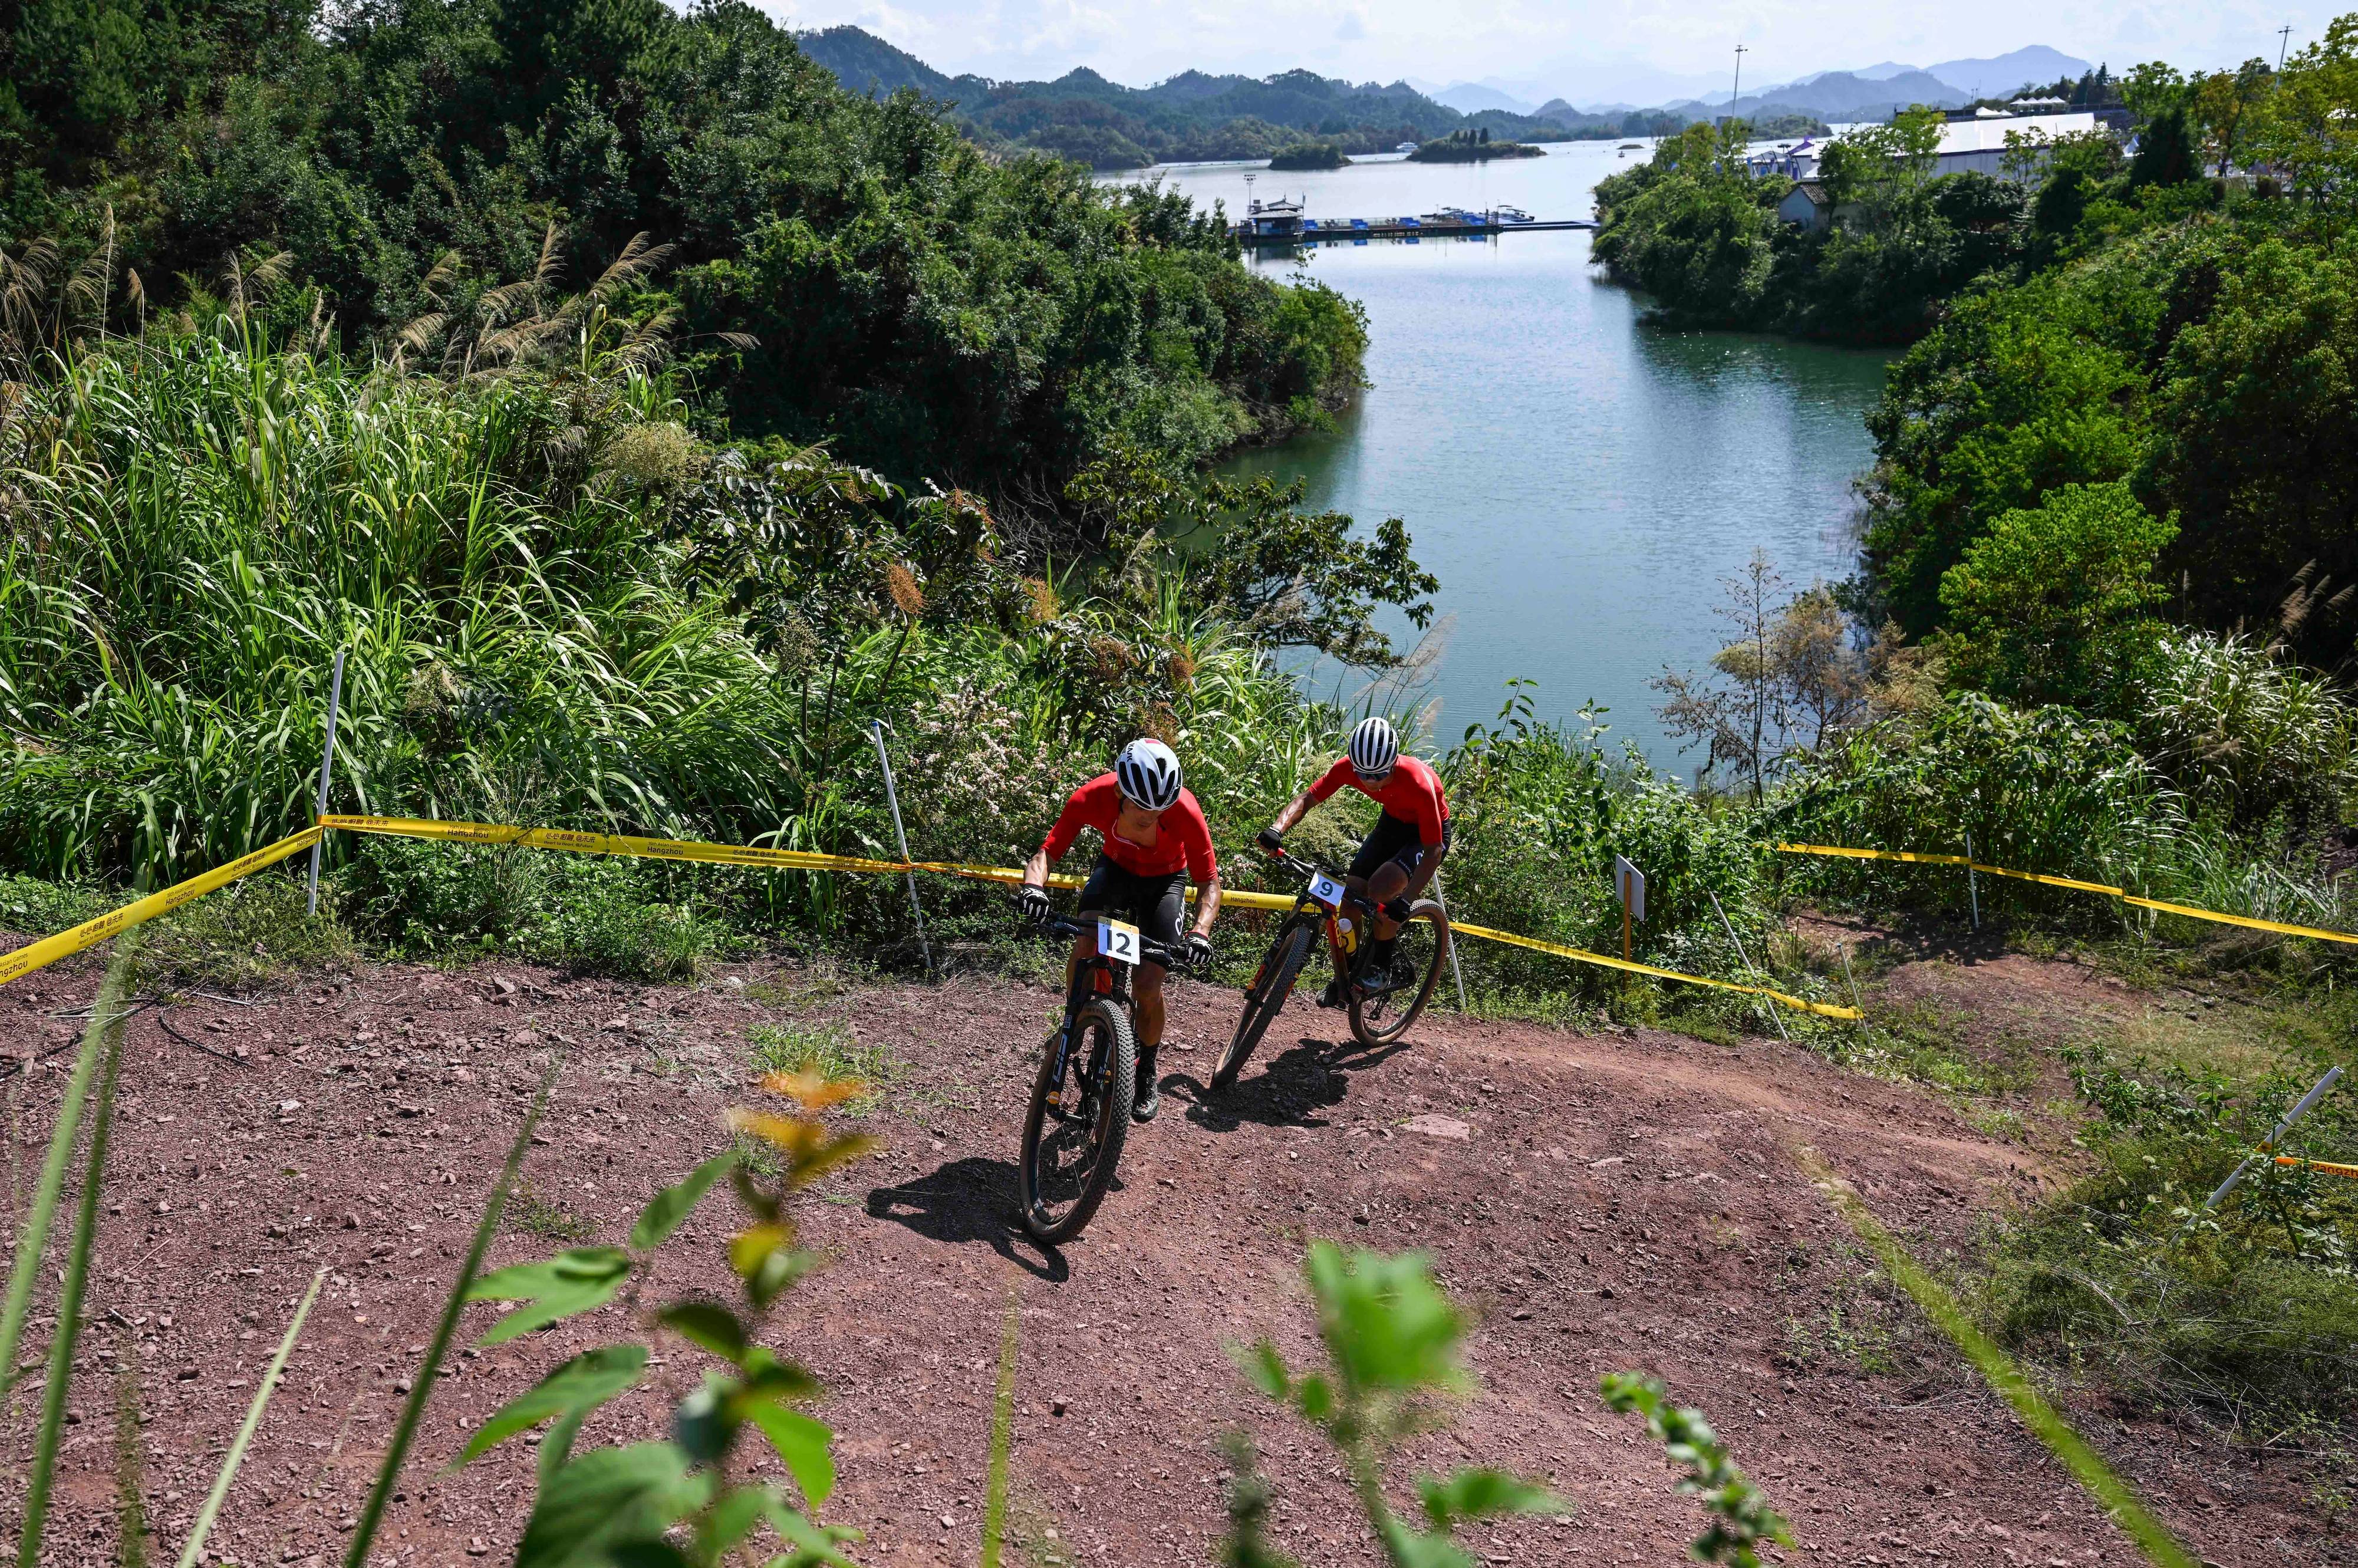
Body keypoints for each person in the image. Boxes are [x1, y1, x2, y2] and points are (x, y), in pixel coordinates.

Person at [1017, 738, 1221, 1122]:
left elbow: (1210, 883)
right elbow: (1047, 853)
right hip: (1115, 870)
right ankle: (1076, 1019)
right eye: (1142, 808)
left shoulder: (1185, 811)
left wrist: (1200, 932)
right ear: (1119, 794)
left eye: (1160, 809)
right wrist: (1033, 888)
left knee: (1148, 986)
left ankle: (1146, 1066)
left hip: (1165, 884)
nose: (1152, 817)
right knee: (1086, 945)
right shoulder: (1091, 797)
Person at [1257, 716, 1447, 1005]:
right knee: (1349, 898)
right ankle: (1348, 972)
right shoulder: (1347, 768)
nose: (1371, 782)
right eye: (1363, 775)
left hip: (1427, 835)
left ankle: (1381, 967)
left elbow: (1434, 850)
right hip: (1392, 823)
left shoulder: (1418, 783)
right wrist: (1276, 829)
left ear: (1393, 763)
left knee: (1382, 889)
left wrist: (1406, 900)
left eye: (1379, 775)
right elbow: (1307, 799)